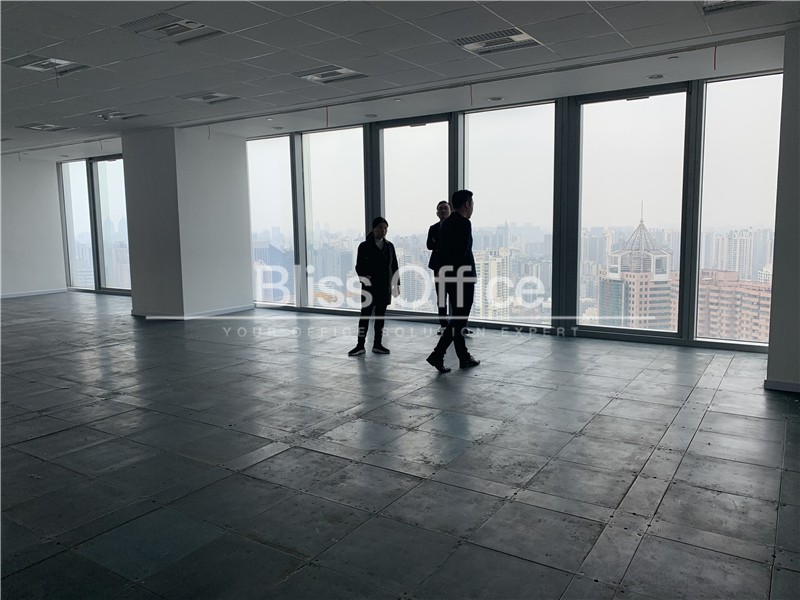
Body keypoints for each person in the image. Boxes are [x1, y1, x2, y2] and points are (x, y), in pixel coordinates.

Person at [426, 190, 481, 373]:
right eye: (472, 204)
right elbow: (462, 252)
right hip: (462, 278)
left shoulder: (446, 223)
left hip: (448, 276)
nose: (472, 208)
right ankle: (437, 354)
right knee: (459, 319)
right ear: (467, 204)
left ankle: (463, 357)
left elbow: (444, 250)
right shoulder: (464, 223)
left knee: (457, 318)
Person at [348, 217, 400, 356]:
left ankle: (378, 344)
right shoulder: (364, 246)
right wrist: (364, 277)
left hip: (384, 286)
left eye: (385, 228)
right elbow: (359, 266)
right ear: (373, 229)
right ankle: (360, 345)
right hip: (369, 286)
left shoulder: (390, 246)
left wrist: (396, 284)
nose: (383, 231)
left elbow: (394, 265)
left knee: (380, 317)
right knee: (365, 316)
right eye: (380, 228)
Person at [427, 201, 474, 337]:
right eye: (440, 209)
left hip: (455, 267)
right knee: (441, 297)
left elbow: (458, 246)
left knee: (458, 298)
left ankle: (461, 326)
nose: (443, 211)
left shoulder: (456, 226)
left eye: (445, 208)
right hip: (439, 267)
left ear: (451, 210)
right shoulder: (433, 228)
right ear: (437, 212)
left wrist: (439, 244)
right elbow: (429, 245)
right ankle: (444, 325)